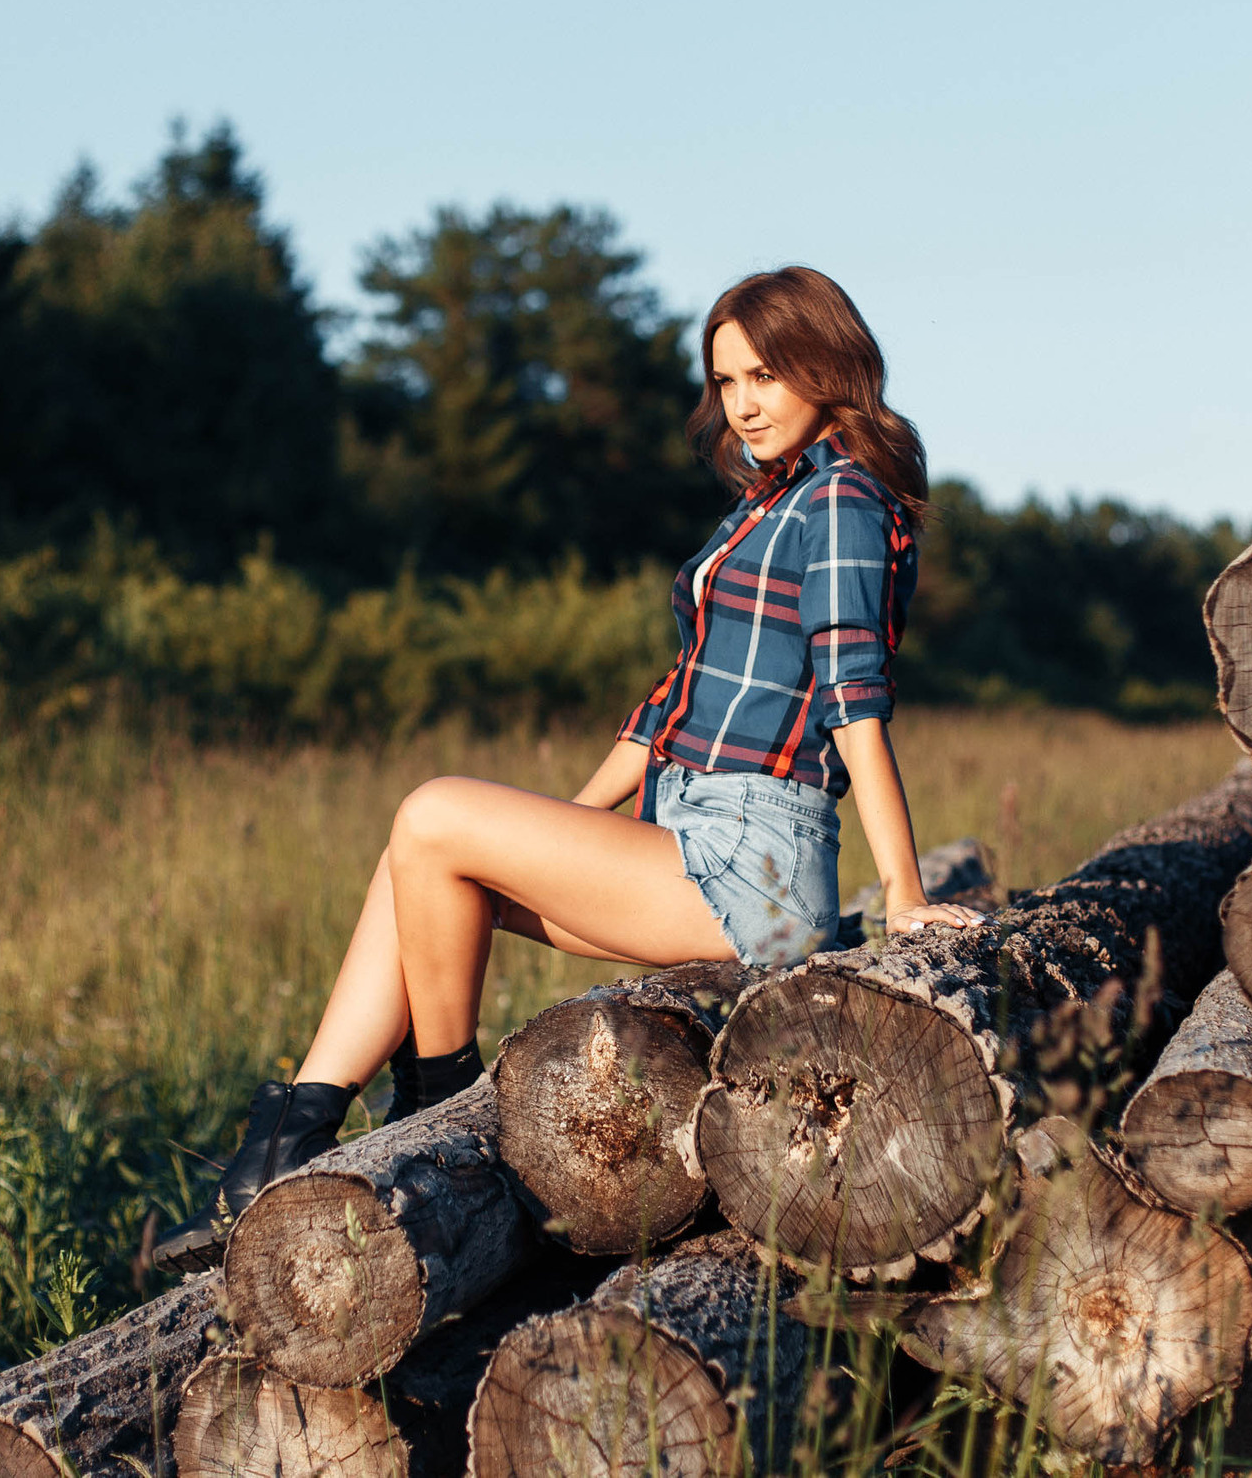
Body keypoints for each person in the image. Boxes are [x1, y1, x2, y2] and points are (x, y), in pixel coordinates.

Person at [155, 264, 979, 1273]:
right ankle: (281, 1161)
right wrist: (559, 827)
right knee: (425, 859)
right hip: (684, 838)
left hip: (750, 868)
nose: (743, 403)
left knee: (430, 813)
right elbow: (670, 703)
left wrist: (902, 889)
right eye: (725, 382)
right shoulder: (769, 505)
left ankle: (423, 1124)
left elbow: (852, 690)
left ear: (826, 365)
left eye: (764, 374)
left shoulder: (844, 499)